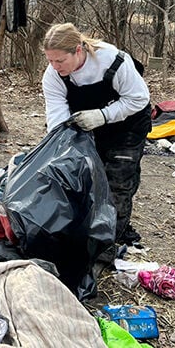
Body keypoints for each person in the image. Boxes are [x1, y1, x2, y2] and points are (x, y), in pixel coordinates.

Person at [42, 22, 151, 246]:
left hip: (128, 127)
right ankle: (88, 230)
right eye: (50, 60)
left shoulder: (113, 61)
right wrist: (60, 145)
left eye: (60, 60)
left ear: (78, 51)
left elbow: (139, 98)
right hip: (89, 128)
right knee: (87, 178)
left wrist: (103, 115)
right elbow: (57, 115)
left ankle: (109, 243)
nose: (54, 66)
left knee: (118, 183)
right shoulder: (53, 75)